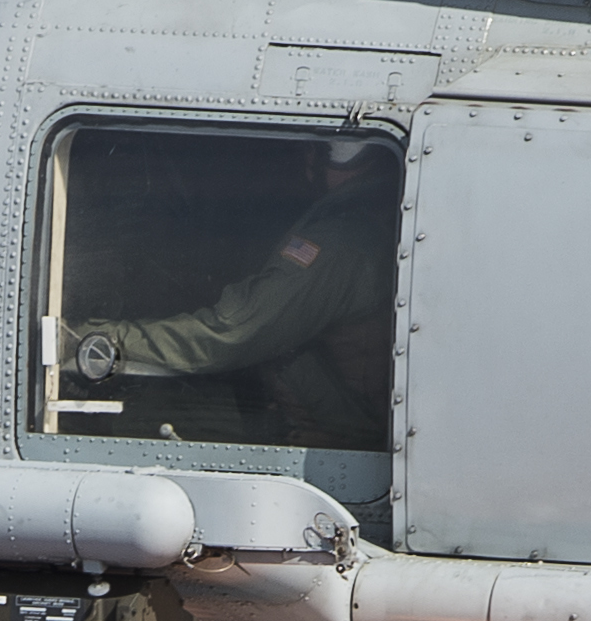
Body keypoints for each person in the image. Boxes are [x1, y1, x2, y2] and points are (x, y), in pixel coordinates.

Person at [59, 139, 394, 447]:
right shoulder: (370, 222)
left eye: (332, 152)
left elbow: (232, 333)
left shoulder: (339, 243)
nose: (309, 161)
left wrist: (89, 338)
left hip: (344, 437)